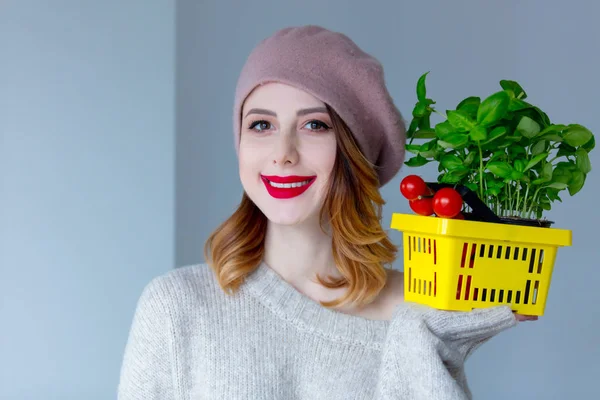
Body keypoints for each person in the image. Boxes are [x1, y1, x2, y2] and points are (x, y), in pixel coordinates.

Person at [117, 25, 536, 400]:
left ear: (355, 152)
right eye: (261, 125)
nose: (282, 154)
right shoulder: (176, 309)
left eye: (314, 125)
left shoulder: (420, 314)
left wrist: (439, 350)